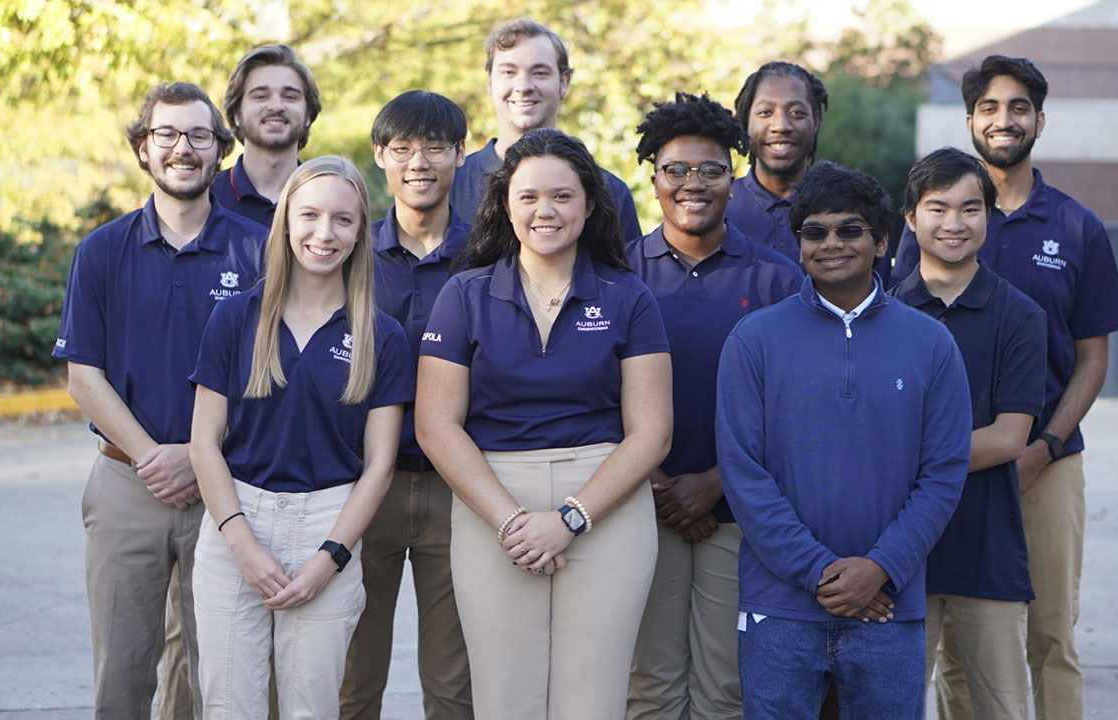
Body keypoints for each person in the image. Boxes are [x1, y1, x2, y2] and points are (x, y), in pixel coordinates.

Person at [890, 56, 1118, 720]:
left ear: (1039, 120)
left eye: (1018, 107)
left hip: (1046, 462)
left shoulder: (1077, 227)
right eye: (990, 108)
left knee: (1051, 634)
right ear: (970, 120)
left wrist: (1044, 445)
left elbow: (1092, 358)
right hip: (944, 468)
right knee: (959, 646)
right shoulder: (932, 223)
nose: (1004, 119)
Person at [417, 128, 672, 719]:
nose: (545, 211)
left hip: (605, 505)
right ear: (506, 205)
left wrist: (571, 518)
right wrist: (512, 522)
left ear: (589, 204)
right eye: (529, 196)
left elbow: (652, 432)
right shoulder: (463, 294)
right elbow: (436, 425)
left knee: (595, 701)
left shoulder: (628, 298)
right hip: (491, 503)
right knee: (505, 699)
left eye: (562, 196)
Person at [715, 162, 972, 717]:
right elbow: (743, 472)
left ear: (882, 241)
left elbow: (944, 472)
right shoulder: (754, 340)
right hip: (779, 608)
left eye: (850, 230)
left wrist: (879, 568)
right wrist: (821, 573)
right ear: (800, 244)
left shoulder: (930, 342)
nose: (831, 243)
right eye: (815, 232)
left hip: (889, 605)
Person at [53, 82, 266, 719]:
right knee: (122, 675)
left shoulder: (258, 250)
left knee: (219, 675)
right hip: (127, 484)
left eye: (199, 135)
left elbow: (270, 370)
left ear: (220, 150)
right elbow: (83, 375)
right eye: (166, 135)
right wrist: (156, 458)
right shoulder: (102, 250)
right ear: (143, 148)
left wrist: (198, 456)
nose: (182, 148)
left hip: (227, 487)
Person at [188, 156, 413, 718]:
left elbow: (379, 465)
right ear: (285, 220)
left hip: (328, 522)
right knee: (227, 705)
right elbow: (202, 444)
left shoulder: (381, 336)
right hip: (235, 518)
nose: (323, 233)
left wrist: (329, 558)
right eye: (309, 215)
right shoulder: (237, 317)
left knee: (311, 708)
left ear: (362, 231)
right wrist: (241, 543)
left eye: (343, 219)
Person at [624, 92, 803, 720]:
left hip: (741, 514)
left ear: (734, 176)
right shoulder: (618, 275)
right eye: (676, 170)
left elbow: (796, 408)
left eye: (710, 170)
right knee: (650, 687)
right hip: (641, 510)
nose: (692, 184)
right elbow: (594, 397)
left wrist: (715, 483)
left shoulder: (779, 279)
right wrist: (657, 484)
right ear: (653, 179)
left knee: (727, 690)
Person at [890, 147, 1047, 720]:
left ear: (989, 216)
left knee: (1001, 707)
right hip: (898, 551)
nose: (954, 223)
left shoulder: (1021, 316)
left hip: (988, 548)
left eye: (970, 208)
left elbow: (1010, 438)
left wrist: (901, 458)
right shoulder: (885, 312)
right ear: (910, 219)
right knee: (891, 704)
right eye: (938, 208)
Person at [338, 90, 474, 720]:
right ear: (380, 158)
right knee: (352, 678)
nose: (419, 162)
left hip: (460, 489)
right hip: (366, 487)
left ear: (461, 155)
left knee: (454, 684)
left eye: (436, 148)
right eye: (403, 149)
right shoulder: (348, 253)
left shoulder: (491, 254)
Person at [450, 17, 642, 243]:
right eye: (509, 73)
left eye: (539, 72)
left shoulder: (609, 191)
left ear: (563, 82)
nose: (523, 87)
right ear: (490, 82)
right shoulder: (451, 184)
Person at [728, 61, 829, 263]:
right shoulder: (719, 209)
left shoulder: (849, 209)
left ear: (816, 121)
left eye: (797, 113)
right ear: (746, 121)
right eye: (765, 112)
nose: (781, 126)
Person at [212, 44, 321, 227]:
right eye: (261, 96)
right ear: (236, 114)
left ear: (308, 115)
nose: (276, 106)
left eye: (290, 96)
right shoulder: (207, 199)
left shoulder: (328, 198)